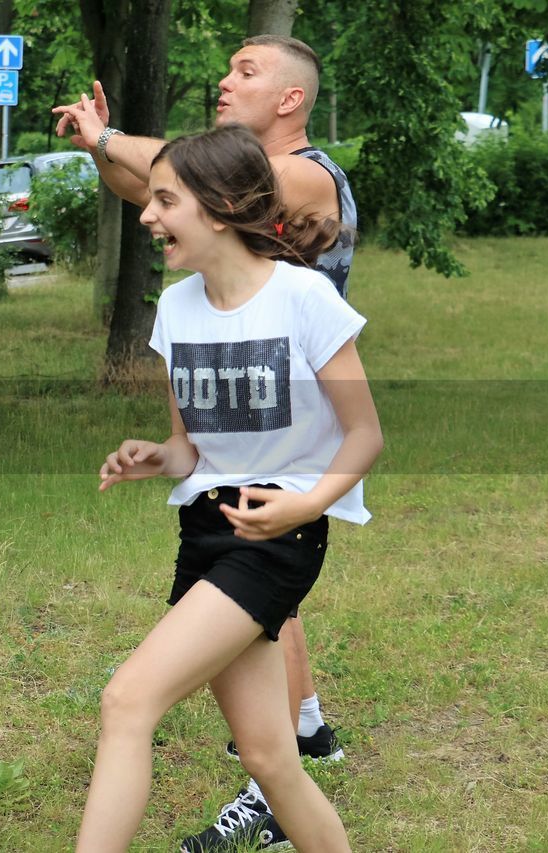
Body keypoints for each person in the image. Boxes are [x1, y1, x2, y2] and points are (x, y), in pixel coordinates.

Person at [55, 35, 356, 848]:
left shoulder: (302, 291)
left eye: (164, 203)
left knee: (128, 699)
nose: (146, 216)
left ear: (222, 207)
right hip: (205, 530)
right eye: (148, 202)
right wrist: (156, 455)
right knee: (271, 755)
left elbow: (365, 436)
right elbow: (190, 448)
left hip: (276, 534)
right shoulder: (178, 310)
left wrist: (307, 503)